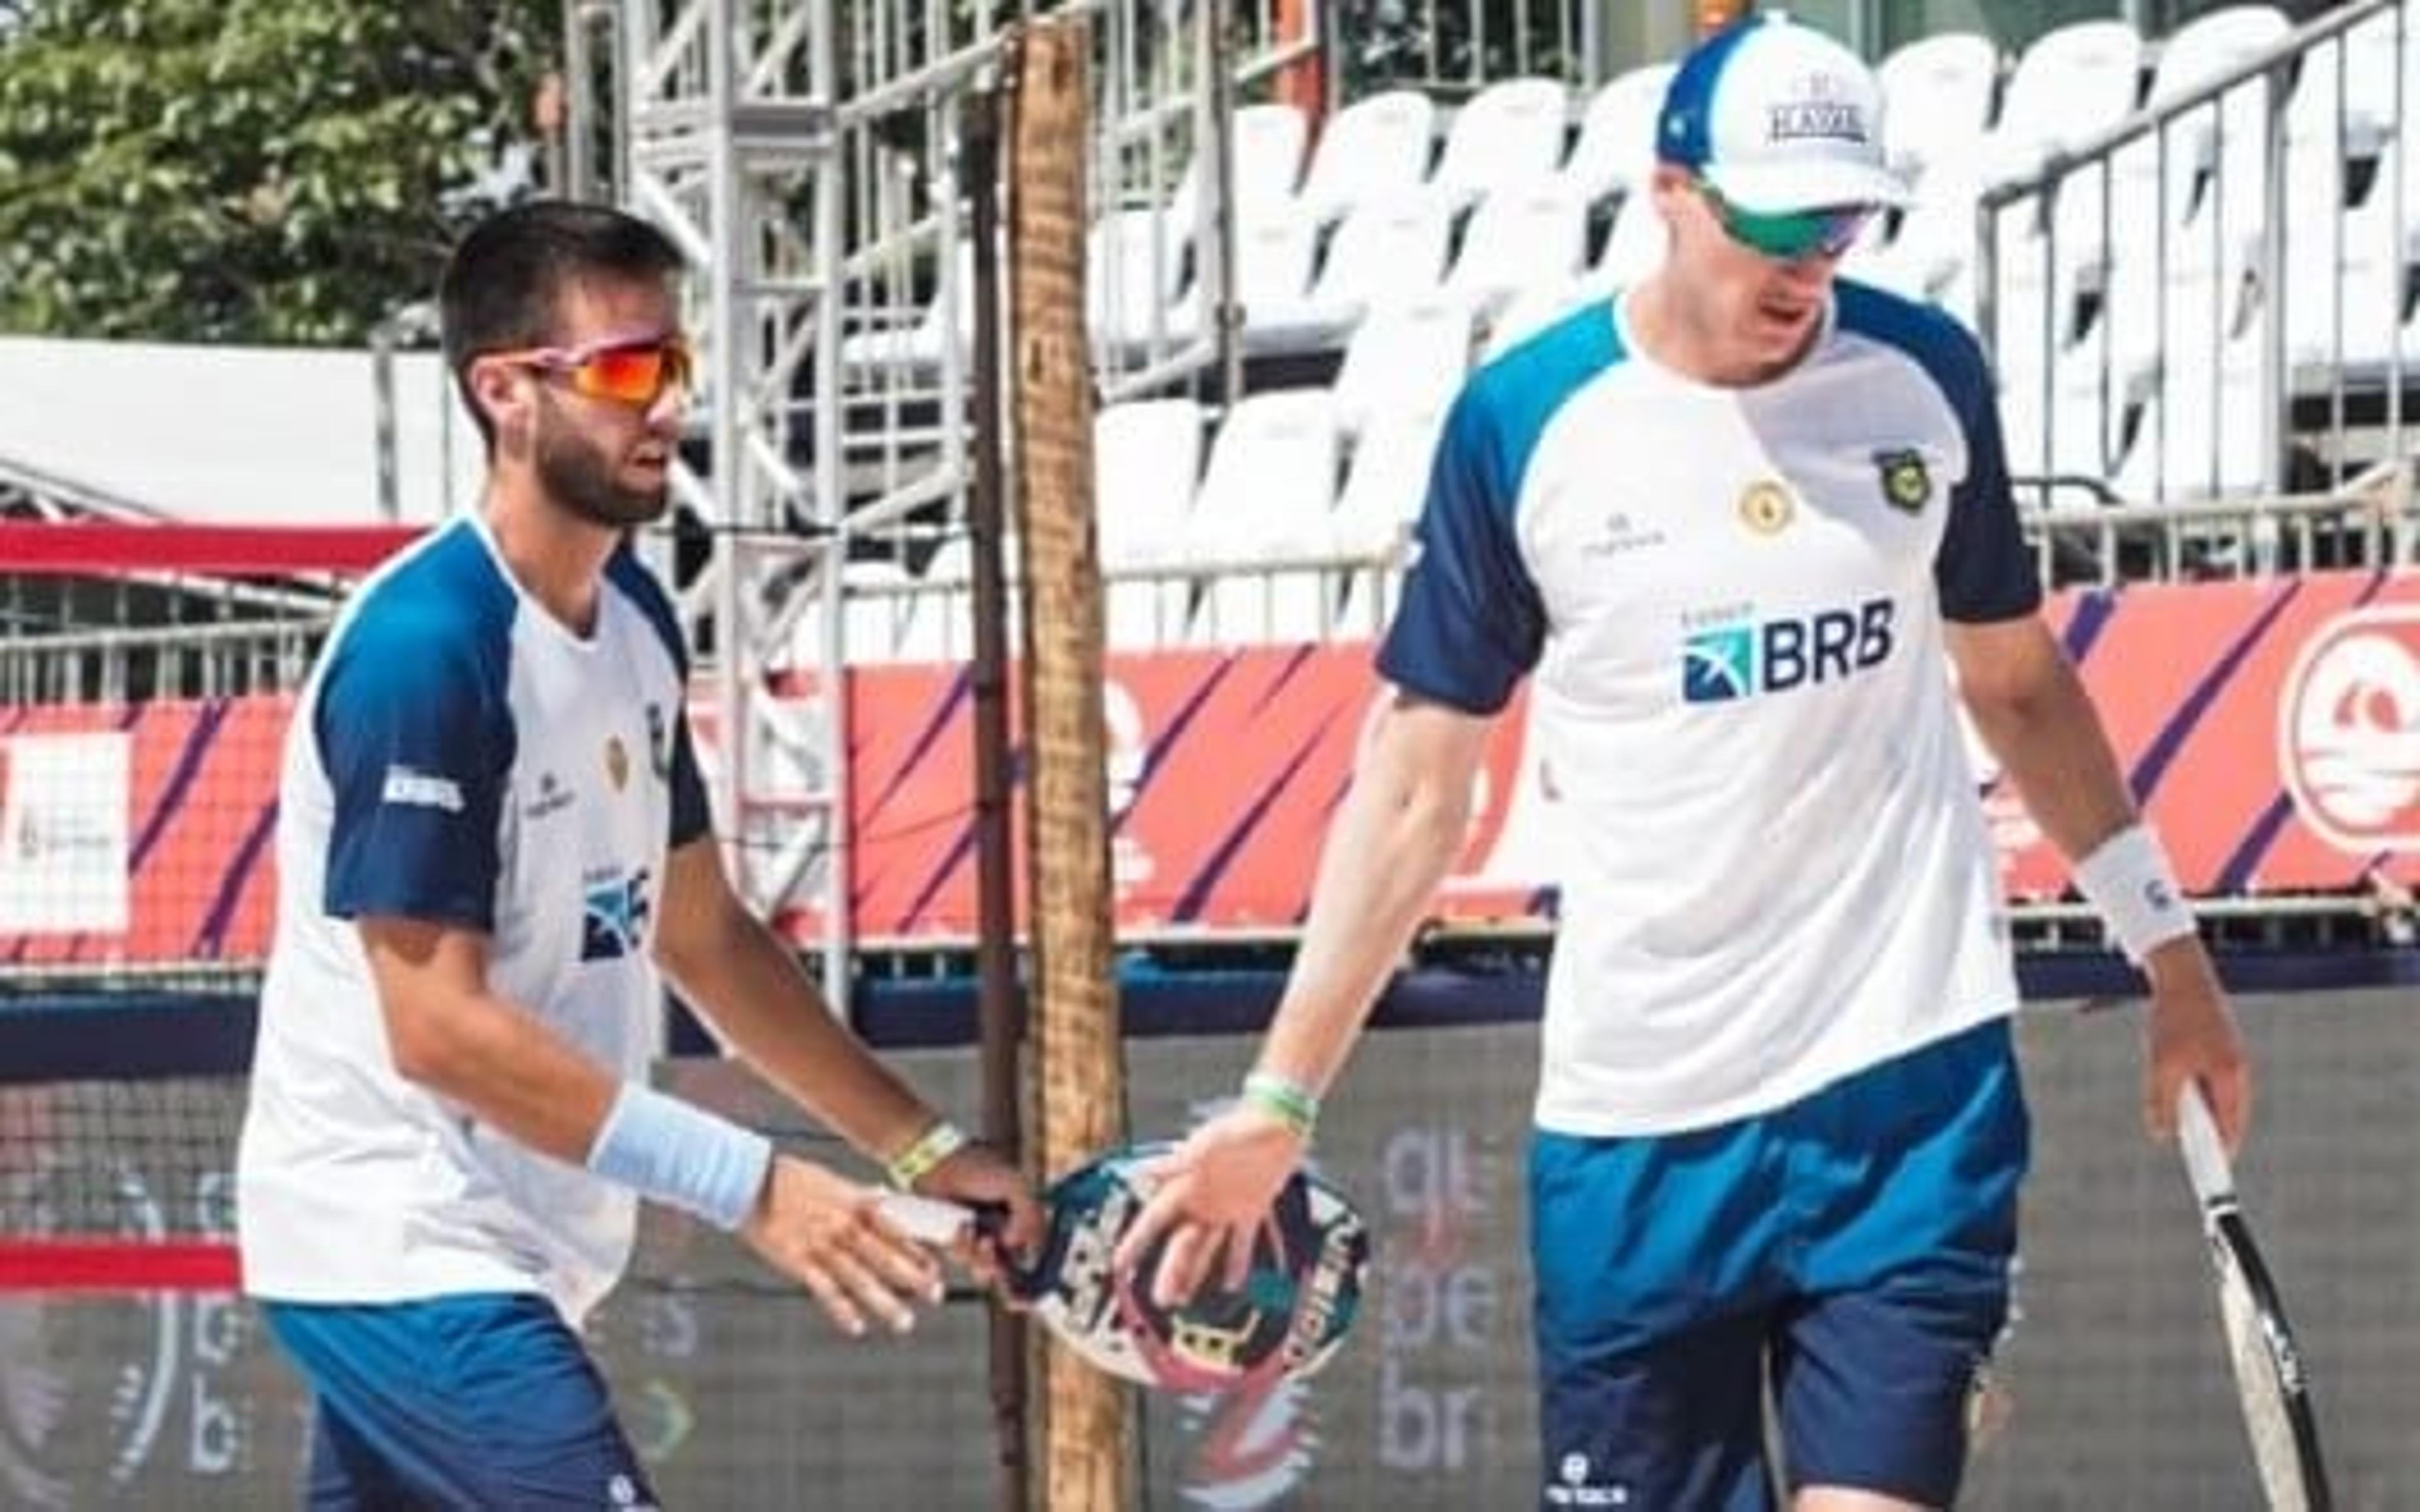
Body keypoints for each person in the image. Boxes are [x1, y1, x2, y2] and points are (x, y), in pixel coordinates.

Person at [1117, 15, 2250, 1510]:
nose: (1807, 264)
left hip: (1905, 1088)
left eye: (1841, 223)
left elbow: (2018, 681)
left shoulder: (1923, 378)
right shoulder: (1525, 424)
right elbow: (1411, 792)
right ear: (1672, 188)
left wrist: (2170, 950)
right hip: (1640, 1123)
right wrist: (1278, 1101)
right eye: (1775, 221)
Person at [234, 200, 1040, 1509]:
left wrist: (924, 1152)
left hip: (505, 1244)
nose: (664, 404)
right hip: (404, 1240)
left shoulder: (635, 620)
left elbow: (706, 936)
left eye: (675, 366)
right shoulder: (428, 646)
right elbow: (434, 1028)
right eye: (621, 371)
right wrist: (759, 1187)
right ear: (506, 394)